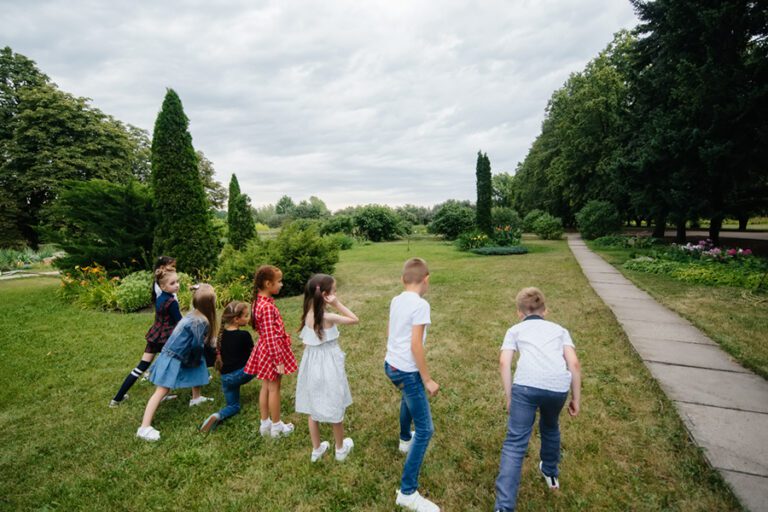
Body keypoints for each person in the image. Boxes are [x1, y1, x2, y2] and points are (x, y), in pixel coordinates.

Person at [493, 287, 582, 512]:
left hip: (525, 386)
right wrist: (575, 399)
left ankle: (503, 507)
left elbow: (504, 363)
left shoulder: (514, 330)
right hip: (557, 387)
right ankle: (550, 473)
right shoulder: (560, 330)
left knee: (514, 444)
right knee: (550, 427)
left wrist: (509, 396)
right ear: (546, 311)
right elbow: (574, 364)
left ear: (518, 313)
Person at [384, 257, 440, 512]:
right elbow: (416, 345)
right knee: (426, 430)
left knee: (408, 398)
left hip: (391, 365)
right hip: (406, 370)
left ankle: (405, 439)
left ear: (403, 280)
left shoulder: (397, 299)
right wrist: (426, 378)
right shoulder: (421, 305)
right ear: (426, 279)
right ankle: (407, 492)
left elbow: (391, 330)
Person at [136, 284, 217, 441]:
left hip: (177, 352)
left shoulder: (194, 313)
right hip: (174, 356)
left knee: (198, 365)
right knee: (163, 390)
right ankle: (144, 427)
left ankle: (196, 398)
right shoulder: (202, 321)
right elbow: (196, 345)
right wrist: (200, 354)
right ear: (210, 305)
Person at [295, 273, 358, 462]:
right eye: (334, 291)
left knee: (313, 404)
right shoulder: (328, 316)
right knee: (334, 402)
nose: (336, 294)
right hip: (328, 365)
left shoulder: (307, 314)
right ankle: (339, 449)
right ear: (325, 295)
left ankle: (316, 449)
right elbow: (354, 319)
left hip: (312, 364)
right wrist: (337, 304)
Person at [110, 268, 181, 407]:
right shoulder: (172, 302)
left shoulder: (160, 298)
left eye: (177, 281)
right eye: (173, 283)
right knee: (172, 364)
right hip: (166, 338)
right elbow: (179, 321)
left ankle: (117, 399)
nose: (177, 285)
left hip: (154, 336)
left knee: (141, 367)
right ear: (162, 286)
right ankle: (183, 392)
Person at [244, 265, 298, 438]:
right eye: (279, 281)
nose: (281, 285)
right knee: (274, 388)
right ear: (268, 284)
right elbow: (270, 337)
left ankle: (265, 423)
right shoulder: (266, 307)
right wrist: (278, 360)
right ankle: (276, 427)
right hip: (271, 352)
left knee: (266, 387)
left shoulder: (258, 302)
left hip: (265, 350)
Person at [199, 301, 256, 433]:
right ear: (236, 319)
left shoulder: (221, 336)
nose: (248, 318)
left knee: (233, 406)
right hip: (241, 374)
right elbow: (253, 356)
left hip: (226, 378)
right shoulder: (244, 336)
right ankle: (269, 390)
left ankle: (216, 416)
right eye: (246, 316)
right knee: (262, 363)